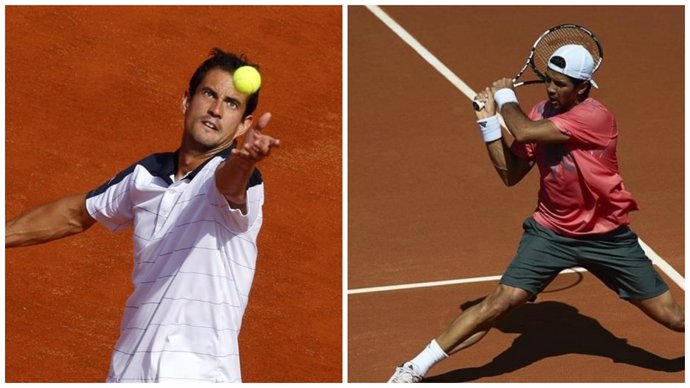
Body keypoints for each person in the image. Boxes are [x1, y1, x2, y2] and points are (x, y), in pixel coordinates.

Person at [387, 44, 684, 383]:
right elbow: (511, 174)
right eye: (550, 81)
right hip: (551, 233)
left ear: (582, 87)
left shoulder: (595, 117)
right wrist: (488, 126)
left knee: (674, 318)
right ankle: (413, 369)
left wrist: (504, 98)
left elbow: (525, 131)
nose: (552, 90)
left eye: (561, 84)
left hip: (608, 237)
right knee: (500, 302)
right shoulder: (541, 110)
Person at [6, 48, 281, 383]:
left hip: (200, 375)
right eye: (209, 94)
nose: (215, 110)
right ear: (186, 100)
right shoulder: (145, 175)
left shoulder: (240, 179)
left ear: (245, 124)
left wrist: (244, 160)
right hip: (129, 373)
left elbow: (230, 184)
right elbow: (76, 214)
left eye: (232, 104)